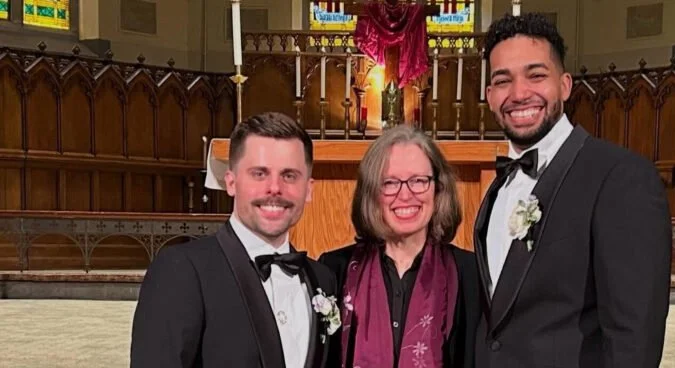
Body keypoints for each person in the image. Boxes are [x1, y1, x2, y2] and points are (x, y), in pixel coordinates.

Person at [474, 13, 672, 367]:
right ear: (489, 96)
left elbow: (635, 339)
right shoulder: (496, 187)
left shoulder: (620, 177)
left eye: (536, 75)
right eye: (503, 81)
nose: (519, 94)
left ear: (564, 85)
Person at [130, 112, 339, 368]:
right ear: (231, 182)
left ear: (308, 189)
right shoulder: (181, 270)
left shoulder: (323, 279)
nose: (274, 188)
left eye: (289, 175)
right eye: (259, 174)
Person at [319, 125, 480, 368]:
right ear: (371, 193)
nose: (405, 195)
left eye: (418, 180)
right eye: (390, 183)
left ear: (438, 189)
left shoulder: (470, 272)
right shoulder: (333, 270)